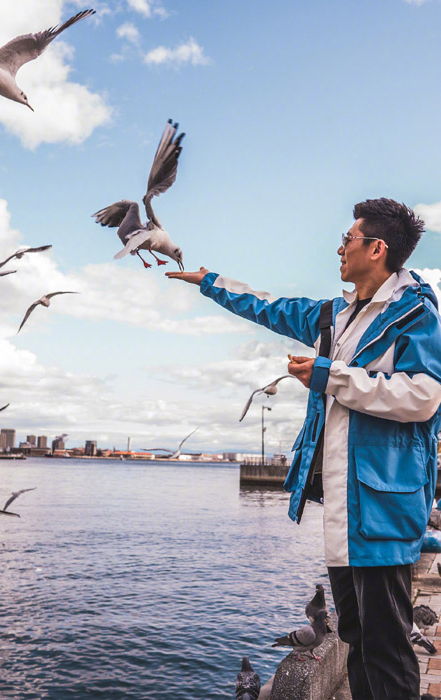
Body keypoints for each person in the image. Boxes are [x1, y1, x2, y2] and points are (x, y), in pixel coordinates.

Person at [167, 197, 441, 700]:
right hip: (343, 508)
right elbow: (268, 308)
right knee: (357, 639)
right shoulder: (334, 316)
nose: (339, 248)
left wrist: (329, 376)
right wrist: (210, 282)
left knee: (388, 647)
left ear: (376, 249)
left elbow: (424, 397)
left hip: (382, 507)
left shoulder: (414, 313)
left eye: (348, 239)